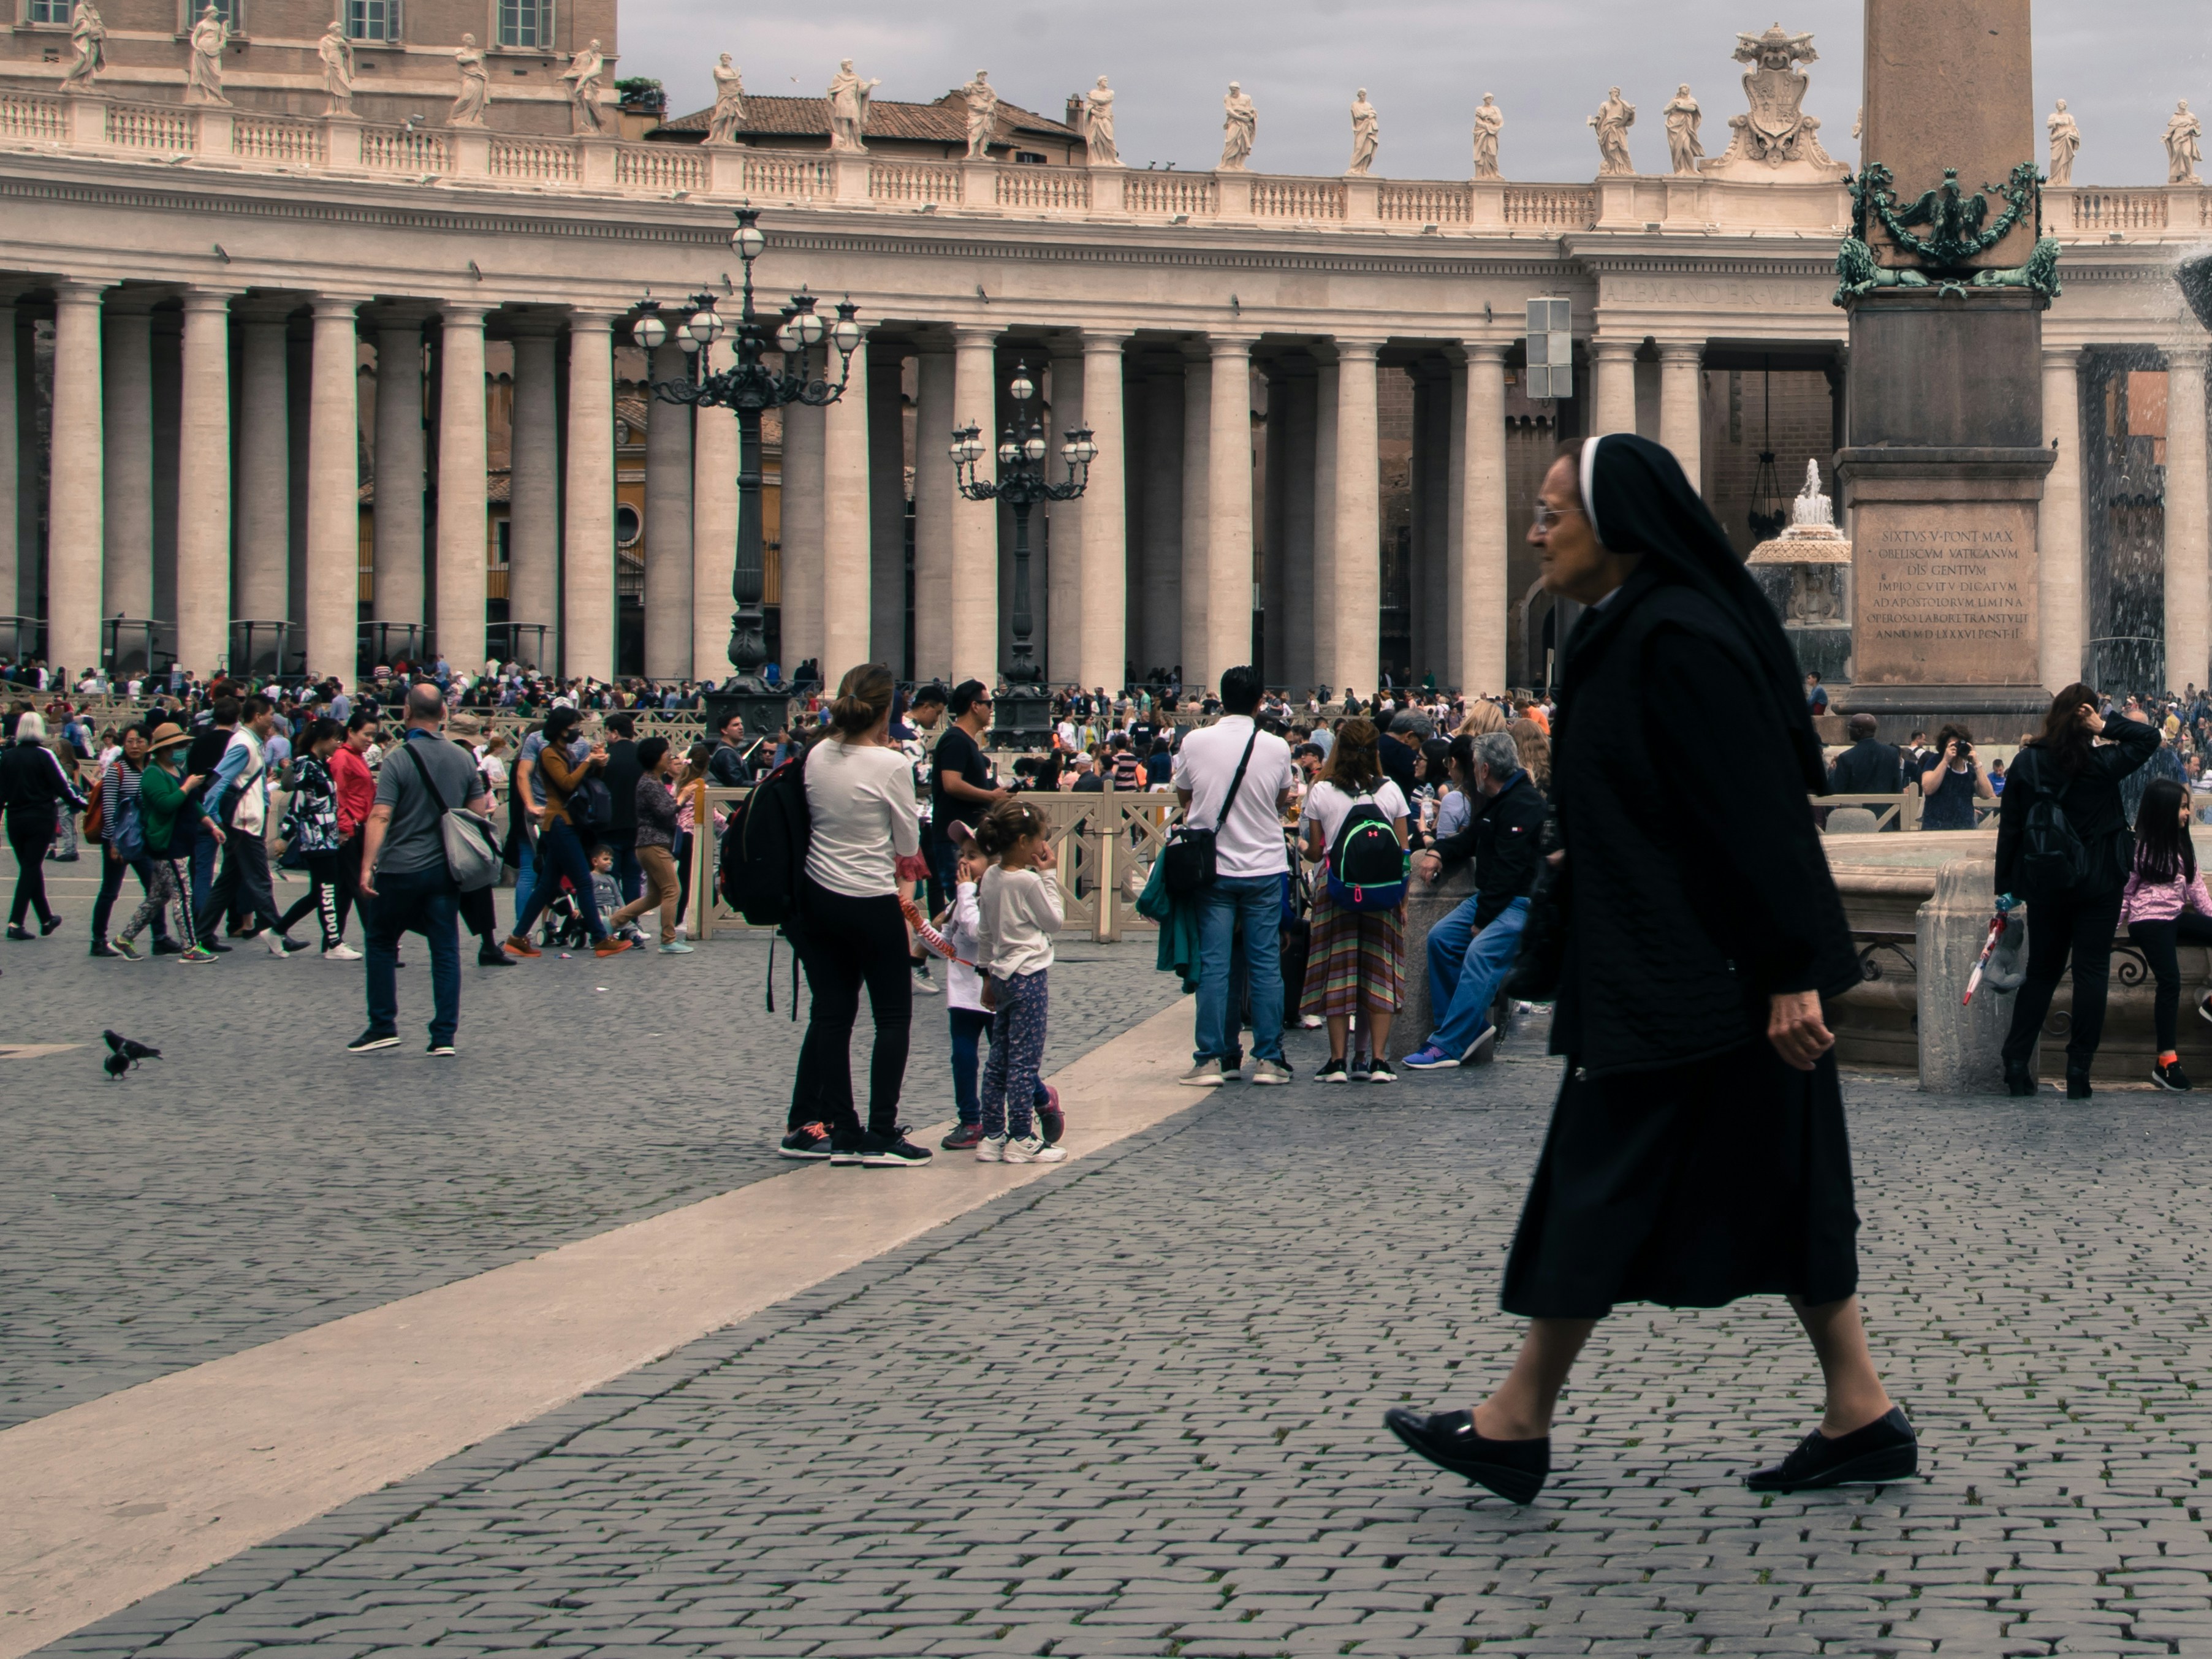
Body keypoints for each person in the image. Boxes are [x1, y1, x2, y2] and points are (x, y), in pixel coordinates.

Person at [1385, 434, 1912, 1504]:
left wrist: (1781, 970)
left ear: (1615, 525)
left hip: (1692, 975)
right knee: (1784, 1180)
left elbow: (1752, 812)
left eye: (1551, 513)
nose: (1534, 530)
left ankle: (1516, 1419)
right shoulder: (1639, 625)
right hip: (1685, 964)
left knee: (1599, 1177)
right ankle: (1858, 1409)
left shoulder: (1674, 635)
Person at [780, 663, 933, 1167]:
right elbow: (908, 843)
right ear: (887, 708)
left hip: (818, 898)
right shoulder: (890, 766)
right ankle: (882, 1131)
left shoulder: (816, 753)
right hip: (869, 898)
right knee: (891, 1016)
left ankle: (843, 1132)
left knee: (833, 1014)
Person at [1996, 686, 2158, 1099]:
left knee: (2041, 973)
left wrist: (2007, 889)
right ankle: (2078, 1071)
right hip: (2099, 881)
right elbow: (2149, 738)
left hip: (2047, 882)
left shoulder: (2026, 762)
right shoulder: (2102, 761)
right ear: (2084, 719)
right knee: (2090, 974)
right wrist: (2105, 725)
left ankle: (2015, 1063)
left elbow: (2010, 830)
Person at [349, 683, 495, 1055]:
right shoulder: (464, 760)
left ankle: (383, 1025)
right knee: (445, 949)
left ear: (406, 713)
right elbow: (478, 815)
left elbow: (380, 814)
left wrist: (367, 867)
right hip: (445, 869)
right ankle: (443, 1036)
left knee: (381, 940)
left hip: (399, 868)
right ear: (444, 715)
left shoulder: (398, 758)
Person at [1174, 664, 1299, 1086]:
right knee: (1265, 964)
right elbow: (1283, 798)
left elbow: (1185, 795)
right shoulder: (1276, 746)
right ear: (1260, 700)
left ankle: (1214, 1056)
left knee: (1215, 964)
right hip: (1264, 866)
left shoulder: (1194, 741)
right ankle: (1268, 1057)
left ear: (1220, 698)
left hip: (1213, 867)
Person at [1403, 729, 1548, 1070]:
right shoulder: (1500, 800)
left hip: (1519, 903)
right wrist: (1437, 850)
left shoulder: (1524, 804)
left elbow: (1508, 873)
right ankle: (1460, 1027)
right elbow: (1472, 840)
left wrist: (1481, 922)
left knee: (1480, 956)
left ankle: (1449, 1044)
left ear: (1484, 769)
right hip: (1495, 898)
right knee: (1440, 939)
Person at [1295, 717, 1410, 1081]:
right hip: (1383, 890)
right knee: (1379, 971)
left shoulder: (1322, 790)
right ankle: (1377, 1060)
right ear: (1375, 751)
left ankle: (1336, 1061)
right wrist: (1402, 904)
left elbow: (1316, 852)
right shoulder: (1390, 790)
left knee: (1338, 971)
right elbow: (1404, 853)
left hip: (1337, 888)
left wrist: (1300, 845)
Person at [971, 797, 1068, 1163]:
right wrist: (1049, 875)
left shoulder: (991, 877)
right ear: (1026, 842)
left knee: (998, 1059)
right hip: (1029, 974)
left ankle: (992, 1135)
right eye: (1042, 838)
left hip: (1000, 974)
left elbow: (984, 933)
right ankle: (1022, 1137)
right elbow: (1054, 921)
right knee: (1024, 1062)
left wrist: (985, 976)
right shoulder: (1027, 882)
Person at [504, 706, 630, 958]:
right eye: (574, 726)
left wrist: (597, 762)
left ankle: (517, 938)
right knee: (583, 881)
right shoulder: (550, 753)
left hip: (564, 822)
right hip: (560, 821)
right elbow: (567, 783)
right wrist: (588, 761)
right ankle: (600, 938)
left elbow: (583, 778)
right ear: (563, 729)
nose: (577, 731)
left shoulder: (563, 751)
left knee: (546, 886)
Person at [197, 694, 307, 954]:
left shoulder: (250, 742)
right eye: (270, 714)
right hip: (244, 823)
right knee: (260, 879)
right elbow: (219, 779)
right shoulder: (245, 744)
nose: (273, 720)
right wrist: (211, 816)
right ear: (257, 716)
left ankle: (201, 934)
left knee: (228, 882)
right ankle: (277, 932)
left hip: (245, 822)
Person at [2123, 777, 2212, 1092]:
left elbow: (2197, 891)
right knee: (2170, 980)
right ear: (2163, 810)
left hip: (2173, 918)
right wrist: (2107, 929)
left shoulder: (2183, 846)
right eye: (2183, 807)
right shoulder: (2140, 847)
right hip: (2147, 920)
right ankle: (2166, 1061)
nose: (2188, 813)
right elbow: (2126, 891)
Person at [117, 721, 218, 962]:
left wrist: (211, 825)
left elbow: (191, 803)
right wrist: (187, 787)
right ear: (165, 749)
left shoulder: (176, 771)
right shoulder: (153, 773)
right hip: (165, 842)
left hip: (180, 839)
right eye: (179, 746)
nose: (184, 749)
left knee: (158, 897)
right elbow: (165, 804)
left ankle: (124, 938)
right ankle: (190, 947)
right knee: (183, 893)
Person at [88, 723, 178, 957]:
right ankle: (98, 940)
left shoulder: (153, 770)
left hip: (143, 841)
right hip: (120, 841)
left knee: (155, 890)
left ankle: (159, 938)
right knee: (110, 891)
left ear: (149, 744)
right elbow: (109, 808)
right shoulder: (116, 770)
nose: (135, 746)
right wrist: (114, 843)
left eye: (140, 741)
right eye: (129, 741)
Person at [273, 718, 358, 957]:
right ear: (321, 739)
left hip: (326, 837)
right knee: (327, 890)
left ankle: (277, 930)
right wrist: (285, 836)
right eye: (336, 739)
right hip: (315, 838)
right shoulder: (306, 766)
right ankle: (333, 943)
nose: (338, 744)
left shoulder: (321, 764)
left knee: (319, 893)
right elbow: (298, 804)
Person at [1, 712, 86, 939]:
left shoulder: (7, 757)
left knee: (30, 868)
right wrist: (89, 806)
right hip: (40, 819)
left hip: (15, 819)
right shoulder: (45, 756)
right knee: (30, 869)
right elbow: (64, 789)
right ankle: (16, 922)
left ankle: (46, 918)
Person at [928, 679, 1006, 906]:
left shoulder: (964, 741)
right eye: (988, 703)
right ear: (975, 706)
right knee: (963, 904)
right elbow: (951, 783)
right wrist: (991, 796)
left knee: (967, 903)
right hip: (956, 837)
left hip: (965, 836)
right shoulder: (956, 740)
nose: (991, 710)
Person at [609, 736, 690, 952]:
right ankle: (668, 939)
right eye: (666, 755)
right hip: (654, 843)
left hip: (648, 843)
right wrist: (682, 798)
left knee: (654, 896)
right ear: (656, 759)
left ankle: (612, 923)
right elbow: (665, 811)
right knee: (673, 890)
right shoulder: (649, 783)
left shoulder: (650, 781)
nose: (670, 759)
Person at [598, 711, 644, 905]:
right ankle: (633, 921)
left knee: (612, 875)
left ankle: (614, 919)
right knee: (633, 876)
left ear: (615, 733)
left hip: (610, 824)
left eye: (607, 732)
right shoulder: (643, 757)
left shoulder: (606, 758)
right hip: (638, 825)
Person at [1918, 724, 1992, 830]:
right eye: (1953, 745)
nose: (1957, 749)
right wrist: (1945, 761)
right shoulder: (1935, 761)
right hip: (1936, 829)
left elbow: (1987, 794)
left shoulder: (1970, 769)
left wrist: (1977, 763)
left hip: (1965, 829)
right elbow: (1928, 788)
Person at [1828, 712, 1903, 803]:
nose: (1848, 730)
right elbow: (1897, 788)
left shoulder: (1846, 757)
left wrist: (1833, 771)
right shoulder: (1892, 753)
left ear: (1859, 730)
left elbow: (1837, 790)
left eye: (1850, 727)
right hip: (1885, 811)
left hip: (1857, 813)